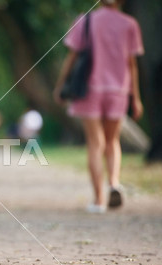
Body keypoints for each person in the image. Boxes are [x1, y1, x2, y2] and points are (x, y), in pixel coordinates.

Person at [54, 0, 144, 214]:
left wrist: (60, 85)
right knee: (112, 141)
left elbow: (72, 57)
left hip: (89, 89)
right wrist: (136, 98)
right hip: (118, 90)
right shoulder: (129, 24)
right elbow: (132, 65)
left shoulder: (85, 21)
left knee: (96, 143)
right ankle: (114, 183)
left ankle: (99, 201)